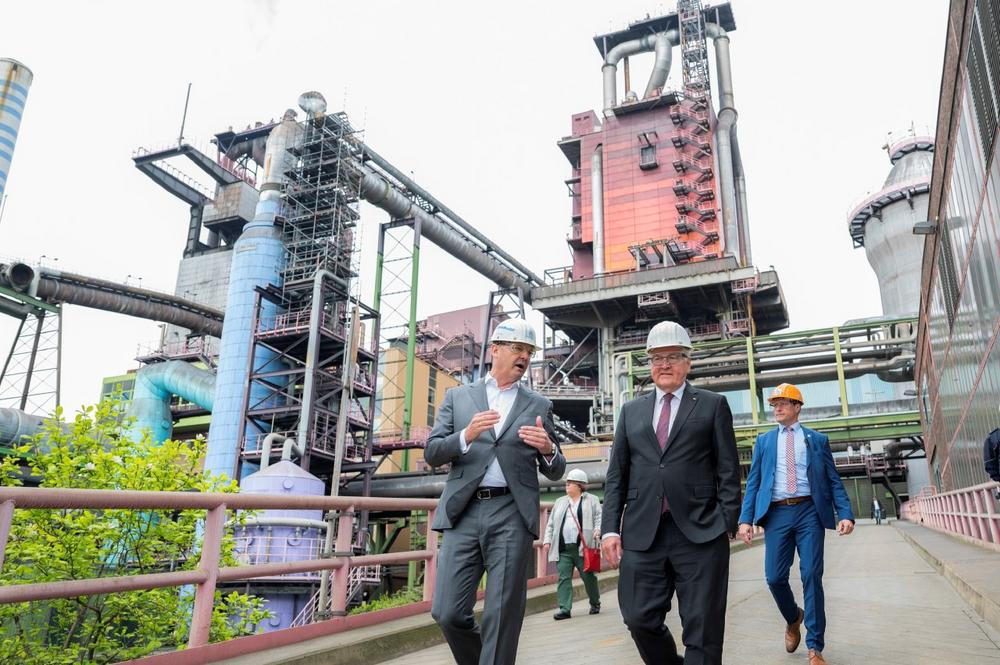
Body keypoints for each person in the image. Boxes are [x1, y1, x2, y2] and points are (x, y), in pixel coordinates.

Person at [425, 317, 567, 665]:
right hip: (464, 513)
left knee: (502, 615)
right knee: (447, 613)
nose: (524, 357)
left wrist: (548, 449)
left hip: (511, 514)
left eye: (529, 352)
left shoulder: (538, 405)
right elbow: (432, 453)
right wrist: (465, 436)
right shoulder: (458, 398)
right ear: (496, 350)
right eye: (517, 348)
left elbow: (556, 468)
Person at [601, 320, 741, 665]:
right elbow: (617, 474)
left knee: (703, 627)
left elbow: (728, 469)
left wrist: (727, 519)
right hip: (642, 532)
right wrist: (609, 528)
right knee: (638, 618)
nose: (664, 365)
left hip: (701, 531)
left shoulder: (711, 405)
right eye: (656, 358)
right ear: (649, 365)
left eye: (673, 357)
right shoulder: (631, 411)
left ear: (688, 361)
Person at [737, 383, 856, 665]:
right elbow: (754, 483)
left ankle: (815, 648)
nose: (777, 408)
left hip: (809, 512)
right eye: (774, 404)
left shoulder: (817, 440)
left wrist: (846, 513)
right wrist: (745, 520)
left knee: (811, 574)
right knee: (775, 578)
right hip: (776, 514)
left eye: (783, 403)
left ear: (797, 407)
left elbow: (832, 480)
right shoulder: (764, 442)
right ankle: (793, 617)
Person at [543, 468, 602, 621]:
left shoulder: (592, 499)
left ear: (580, 485)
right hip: (563, 548)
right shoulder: (560, 502)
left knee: (588, 577)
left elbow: (599, 517)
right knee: (563, 578)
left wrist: (598, 529)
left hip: (583, 547)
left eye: (570, 483)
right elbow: (551, 524)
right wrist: (547, 540)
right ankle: (564, 609)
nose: (567, 486)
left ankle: (595, 602)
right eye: (567, 483)